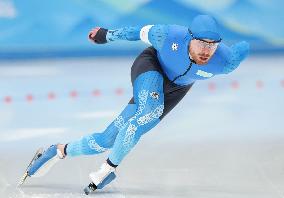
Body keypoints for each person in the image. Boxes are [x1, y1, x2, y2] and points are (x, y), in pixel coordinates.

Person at [21, 15, 249, 190]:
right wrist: (105, 34)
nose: (207, 50)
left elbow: (240, 52)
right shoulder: (168, 35)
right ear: (190, 37)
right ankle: (107, 169)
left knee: (106, 139)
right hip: (151, 67)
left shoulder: (225, 62)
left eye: (213, 44)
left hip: (176, 90)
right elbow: (135, 32)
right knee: (150, 110)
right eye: (202, 43)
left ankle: (58, 150)